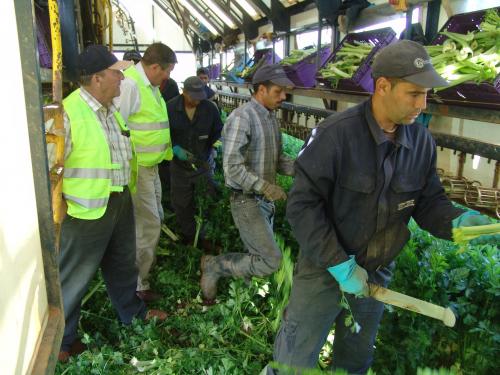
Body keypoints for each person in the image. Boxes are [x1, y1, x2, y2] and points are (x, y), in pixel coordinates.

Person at [268, 40, 499, 374]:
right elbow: (303, 207)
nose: (423, 104)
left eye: (426, 94)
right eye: (414, 94)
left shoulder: (420, 142)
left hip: (376, 273)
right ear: (383, 87)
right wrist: (338, 264)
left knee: (355, 360)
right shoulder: (336, 135)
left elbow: (428, 203)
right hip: (325, 270)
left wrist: (459, 222)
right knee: (293, 358)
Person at [54, 45, 167, 362]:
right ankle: (63, 341)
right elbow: (51, 169)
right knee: (74, 276)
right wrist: (59, 208)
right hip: (85, 210)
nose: (122, 79)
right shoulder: (68, 113)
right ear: (97, 78)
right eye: (117, 73)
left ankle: (133, 314)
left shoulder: (111, 110)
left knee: (122, 266)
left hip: (118, 202)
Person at [200, 64, 295, 305]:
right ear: (261, 89)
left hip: (264, 201)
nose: (283, 97)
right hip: (246, 200)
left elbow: (278, 159)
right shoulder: (242, 118)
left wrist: (306, 170)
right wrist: (265, 187)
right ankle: (215, 266)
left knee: (259, 253)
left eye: (285, 92)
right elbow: (232, 166)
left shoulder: (271, 118)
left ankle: (243, 288)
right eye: (278, 91)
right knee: (271, 260)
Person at [119, 42, 177, 302]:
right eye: (166, 72)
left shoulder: (150, 86)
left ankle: (140, 273)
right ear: (155, 67)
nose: (168, 77)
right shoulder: (131, 85)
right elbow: (118, 127)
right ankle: (137, 285)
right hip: (138, 167)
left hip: (150, 166)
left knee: (155, 219)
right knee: (148, 225)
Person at [167, 76, 223, 250]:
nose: (197, 102)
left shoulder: (210, 109)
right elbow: (162, 135)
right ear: (184, 92)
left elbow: (218, 133)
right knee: (182, 203)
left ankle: (207, 237)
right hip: (179, 166)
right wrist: (175, 149)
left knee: (208, 199)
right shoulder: (169, 108)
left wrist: (215, 147)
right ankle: (190, 237)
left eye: (200, 98)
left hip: (203, 164)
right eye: (193, 98)